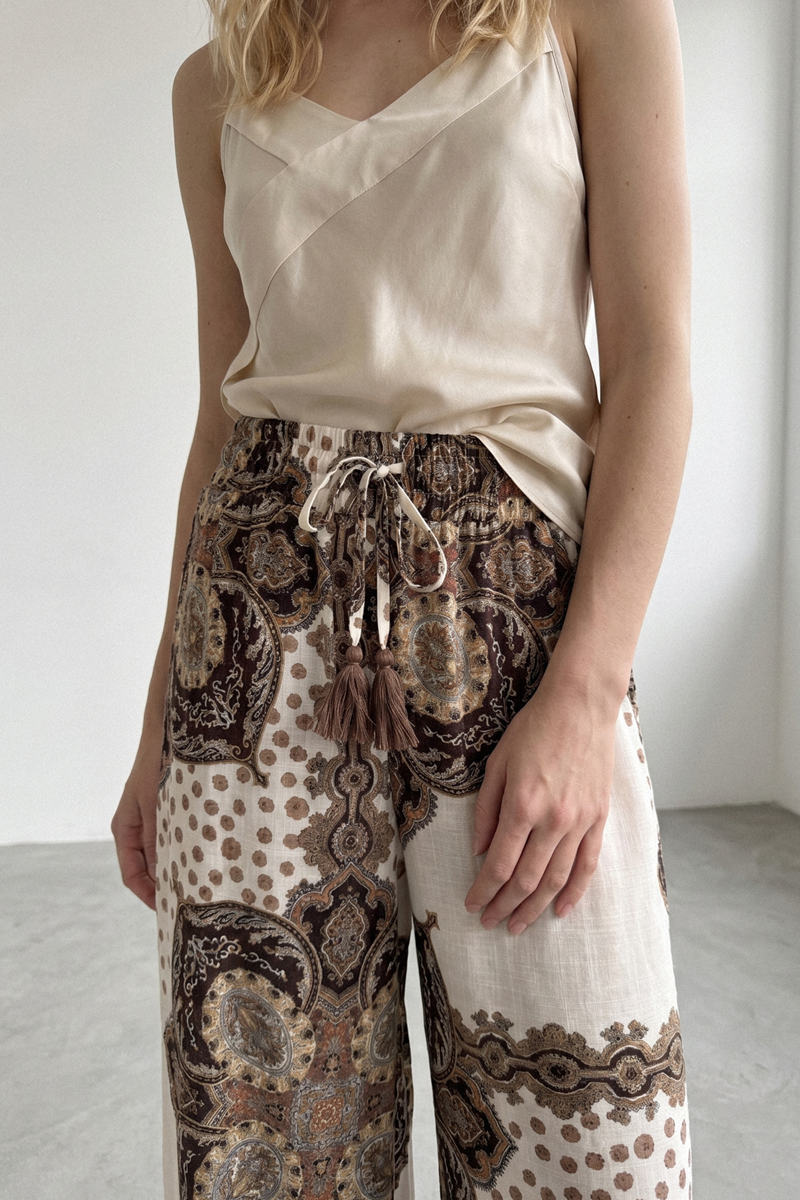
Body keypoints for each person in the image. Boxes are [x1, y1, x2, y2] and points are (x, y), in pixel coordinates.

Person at [111, 0, 694, 1196]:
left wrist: (584, 695)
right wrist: (157, 727)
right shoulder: (216, 83)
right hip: (253, 646)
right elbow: (222, 417)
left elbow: (655, 359)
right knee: (268, 1144)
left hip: (515, 631)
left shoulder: (587, 20)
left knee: (587, 1139)